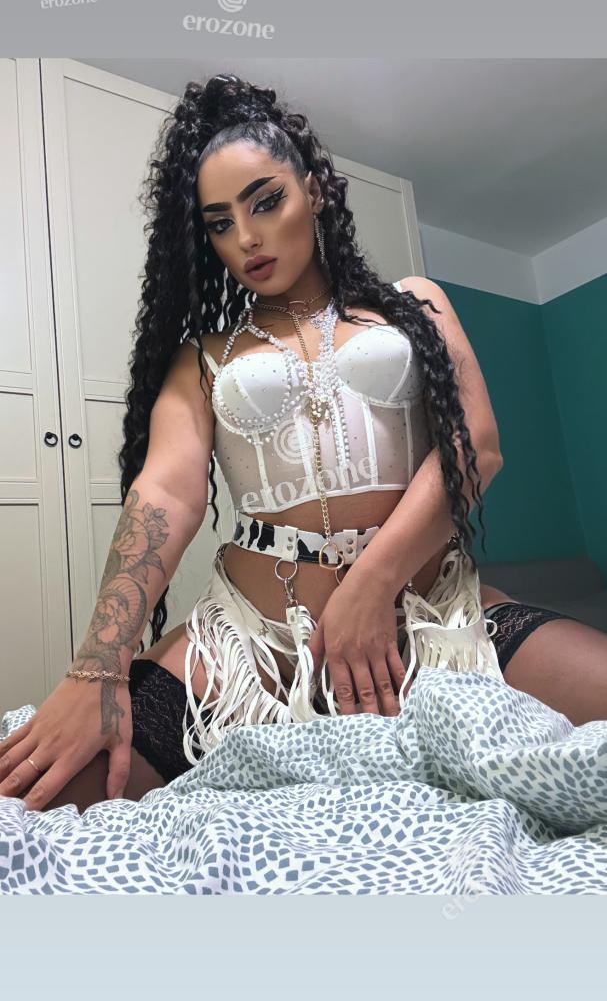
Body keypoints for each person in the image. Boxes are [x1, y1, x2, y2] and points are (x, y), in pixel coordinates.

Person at [1, 73, 606, 817]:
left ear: (313, 191)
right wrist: (97, 668)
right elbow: (164, 494)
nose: (246, 238)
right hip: (247, 646)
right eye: (219, 222)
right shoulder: (203, 358)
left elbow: (474, 446)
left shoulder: (413, 305)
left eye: (265, 201)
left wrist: (368, 587)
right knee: (37, 796)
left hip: (437, 616)